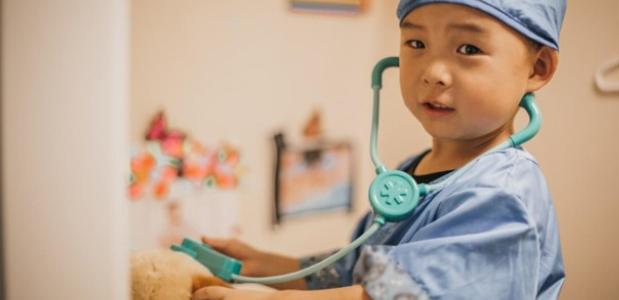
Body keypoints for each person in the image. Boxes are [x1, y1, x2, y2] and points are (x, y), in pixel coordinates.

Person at [194, 0, 566, 299]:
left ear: (537, 67)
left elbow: (405, 294)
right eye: (416, 44)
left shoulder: (505, 193)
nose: (432, 71)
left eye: (468, 48)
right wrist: (269, 266)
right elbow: (364, 270)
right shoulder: (408, 172)